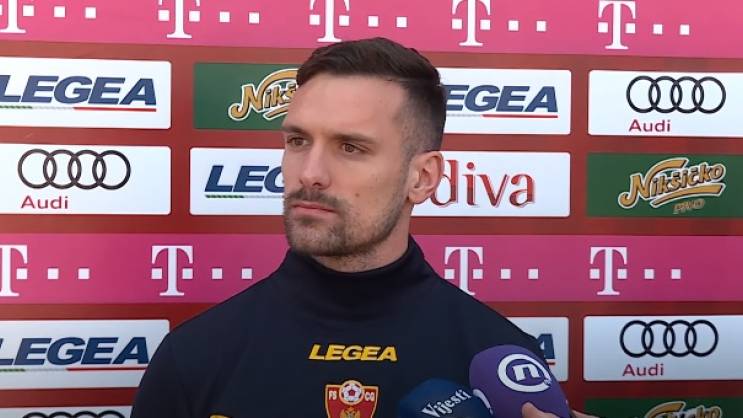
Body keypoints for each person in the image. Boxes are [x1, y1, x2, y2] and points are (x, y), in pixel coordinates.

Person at [132, 37, 590, 418]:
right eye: (298, 141)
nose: (310, 173)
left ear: (422, 178)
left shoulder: (500, 361)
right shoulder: (192, 359)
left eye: (350, 147)